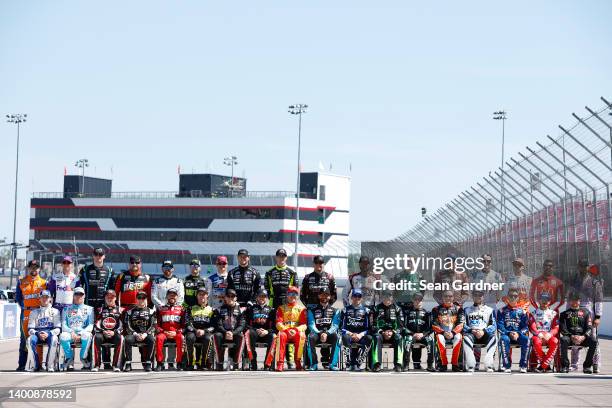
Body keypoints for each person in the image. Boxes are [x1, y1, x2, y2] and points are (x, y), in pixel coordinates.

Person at [567, 258, 603, 373]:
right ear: (578, 267)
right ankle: (574, 364)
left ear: (589, 267)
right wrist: (568, 312)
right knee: (575, 335)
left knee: (593, 338)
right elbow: (569, 299)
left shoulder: (595, 282)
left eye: (585, 266)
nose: (583, 268)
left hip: (590, 314)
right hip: (575, 311)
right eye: (581, 266)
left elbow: (598, 301)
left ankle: (595, 362)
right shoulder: (574, 281)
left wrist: (598, 317)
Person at [15, 259, 47, 371]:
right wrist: (24, 307)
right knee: (24, 339)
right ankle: (22, 365)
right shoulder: (21, 281)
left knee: (39, 338)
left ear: (39, 268)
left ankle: (39, 365)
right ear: (28, 268)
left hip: (39, 312)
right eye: (32, 267)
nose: (34, 269)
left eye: (36, 267)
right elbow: (18, 298)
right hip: (26, 313)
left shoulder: (44, 282)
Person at [269, 286, 306, 371]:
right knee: (280, 335)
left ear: (298, 296)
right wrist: (287, 330)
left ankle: (298, 362)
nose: (293, 296)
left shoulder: (302, 309)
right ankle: (280, 363)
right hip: (285, 332)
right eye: (290, 293)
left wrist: (296, 330)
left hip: (296, 332)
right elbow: (278, 323)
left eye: (295, 294)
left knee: (301, 336)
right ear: (287, 295)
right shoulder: (281, 308)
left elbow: (304, 325)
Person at [559, 291, 597, 374]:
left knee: (593, 341)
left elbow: (590, 327)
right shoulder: (563, 314)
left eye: (576, 300)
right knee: (563, 339)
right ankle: (565, 366)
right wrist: (572, 336)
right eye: (572, 300)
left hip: (582, 338)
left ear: (579, 301)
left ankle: (587, 366)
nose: (574, 302)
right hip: (570, 337)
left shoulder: (586, 313)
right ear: (569, 301)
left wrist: (583, 337)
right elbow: (562, 329)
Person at [59, 287, 95, 371]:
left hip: (83, 333)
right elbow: (64, 324)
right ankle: (69, 358)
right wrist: (71, 332)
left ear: (84, 296)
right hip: (70, 333)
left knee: (87, 335)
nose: (78, 296)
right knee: (63, 336)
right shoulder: (66, 309)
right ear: (73, 295)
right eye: (76, 294)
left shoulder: (90, 309)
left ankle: (83, 358)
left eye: (81, 294)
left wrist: (81, 333)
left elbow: (90, 325)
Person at [306, 287, 341, 371]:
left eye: (326, 295)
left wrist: (327, 333)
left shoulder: (335, 311)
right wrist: (319, 333)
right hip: (317, 333)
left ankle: (333, 364)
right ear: (318, 296)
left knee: (337, 337)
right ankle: (313, 364)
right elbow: (311, 325)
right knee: (310, 337)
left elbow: (335, 325)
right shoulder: (311, 310)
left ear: (330, 297)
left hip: (329, 334)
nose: (324, 297)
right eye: (322, 295)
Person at [26, 290, 61, 372]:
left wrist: (48, 333)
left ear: (50, 299)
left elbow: (58, 329)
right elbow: (30, 329)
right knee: (29, 340)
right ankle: (35, 366)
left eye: (46, 297)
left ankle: (50, 365)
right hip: (37, 334)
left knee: (54, 339)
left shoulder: (55, 312)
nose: (44, 299)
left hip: (50, 334)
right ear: (39, 299)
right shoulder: (33, 312)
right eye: (43, 297)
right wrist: (37, 333)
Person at [462, 290, 497, 373]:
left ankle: (488, 365)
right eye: (475, 295)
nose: (477, 297)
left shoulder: (490, 310)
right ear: (472, 297)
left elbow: (494, 325)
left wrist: (484, 331)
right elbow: (463, 324)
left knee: (494, 338)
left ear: (483, 297)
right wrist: (472, 330)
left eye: (480, 295)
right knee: (465, 338)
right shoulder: (467, 310)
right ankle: (471, 365)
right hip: (472, 334)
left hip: (484, 334)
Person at [212, 288, 246, 371]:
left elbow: (242, 325)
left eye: (232, 296)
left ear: (236, 298)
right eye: (228, 296)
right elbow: (218, 324)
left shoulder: (241, 310)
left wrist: (233, 333)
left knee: (241, 336)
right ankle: (219, 363)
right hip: (223, 333)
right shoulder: (219, 309)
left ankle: (236, 363)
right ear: (225, 298)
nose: (230, 298)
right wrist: (225, 332)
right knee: (216, 335)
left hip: (235, 333)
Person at [497, 288, 529, 373]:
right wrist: (509, 333)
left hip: (518, 335)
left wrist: (518, 333)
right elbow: (500, 326)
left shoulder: (522, 311)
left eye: (515, 296)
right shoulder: (501, 310)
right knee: (504, 339)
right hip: (506, 334)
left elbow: (525, 327)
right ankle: (506, 365)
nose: (513, 298)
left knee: (526, 340)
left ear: (518, 298)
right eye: (511, 296)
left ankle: (523, 365)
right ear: (507, 297)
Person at [370, 292, 404, 372]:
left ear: (392, 298)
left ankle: (398, 365)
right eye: (385, 297)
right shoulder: (376, 308)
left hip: (393, 334)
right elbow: (372, 325)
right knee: (376, 337)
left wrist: (393, 332)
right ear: (382, 298)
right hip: (381, 334)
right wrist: (382, 332)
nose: (387, 299)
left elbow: (401, 326)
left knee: (399, 337)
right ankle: (377, 364)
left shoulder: (398, 309)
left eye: (389, 297)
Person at [431, 290, 464, 372]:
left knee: (459, 337)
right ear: (442, 298)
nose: (448, 298)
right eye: (445, 296)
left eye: (450, 296)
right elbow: (434, 324)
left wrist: (453, 333)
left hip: (454, 333)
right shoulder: (436, 309)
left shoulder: (459, 309)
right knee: (439, 337)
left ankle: (455, 364)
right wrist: (443, 332)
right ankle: (443, 364)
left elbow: (461, 324)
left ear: (453, 297)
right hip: (442, 333)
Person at [92, 289, 124, 372]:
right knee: (96, 337)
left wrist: (115, 332)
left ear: (115, 298)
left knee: (120, 338)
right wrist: (103, 331)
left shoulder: (121, 310)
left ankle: (116, 365)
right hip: (103, 333)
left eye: (112, 297)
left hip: (115, 333)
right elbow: (95, 323)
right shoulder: (100, 310)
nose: (110, 299)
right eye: (108, 297)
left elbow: (123, 324)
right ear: (105, 298)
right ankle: (97, 365)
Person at [154, 288, 186, 371]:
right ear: (167, 296)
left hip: (176, 333)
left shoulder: (182, 309)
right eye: (170, 295)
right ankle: (160, 363)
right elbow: (156, 324)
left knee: (181, 338)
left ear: (177, 297)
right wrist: (163, 331)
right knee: (158, 338)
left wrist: (176, 332)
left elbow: (184, 325)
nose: (172, 296)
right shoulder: (161, 308)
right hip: (164, 332)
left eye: (174, 295)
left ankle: (179, 363)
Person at [244, 289, 276, 371]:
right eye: (260, 296)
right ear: (256, 297)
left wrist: (267, 331)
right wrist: (256, 329)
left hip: (266, 333)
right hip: (254, 333)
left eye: (264, 296)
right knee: (248, 333)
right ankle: (252, 362)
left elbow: (275, 327)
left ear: (267, 298)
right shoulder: (250, 309)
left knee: (274, 336)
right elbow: (245, 324)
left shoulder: (272, 310)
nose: (262, 298)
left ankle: (267, 364)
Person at [340, 289, 372, 371]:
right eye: (355, 296)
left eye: (359, 296)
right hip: (349, 335)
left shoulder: (366, 311)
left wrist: (360, 335)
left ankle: (358, 363)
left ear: (361, 298)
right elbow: (341, 327)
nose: (357, 298)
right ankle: (349, 363)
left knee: (369, 338)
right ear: (351, 297)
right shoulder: (345, 310)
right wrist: (351, 334)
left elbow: (368, 328)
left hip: (361, 335)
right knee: (345, 337)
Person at [123, 291, 156, 372]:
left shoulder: (151, 311)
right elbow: (127, 325)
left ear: (146, 300)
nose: (141, 300)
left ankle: (148, 363)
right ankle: (128, 363)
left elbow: (153, 326)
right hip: (134, 334)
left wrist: (145, 334)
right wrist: (135, 334)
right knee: (127, 339)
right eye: (139, 298)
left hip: (146, 334)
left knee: (152, 339)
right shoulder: (129, 312)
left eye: (143, 298)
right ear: (136, 299)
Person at [402, 292, 433, 371]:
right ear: (413, 300)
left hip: (423, 335)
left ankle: (430, 365)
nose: (417, 301)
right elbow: (403, 327)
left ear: (423, 301)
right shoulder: (407, 313)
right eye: (415, 299)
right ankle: (406, 365)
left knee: (430, 340)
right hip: (411, 335)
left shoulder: (427, 313)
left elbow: (430, 328)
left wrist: (423, 334)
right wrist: (413, 334)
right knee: (407, 340)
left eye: (419, 300)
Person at [185, 287, 215, 370]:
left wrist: (204, 331)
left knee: (208, 338)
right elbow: (187, 323)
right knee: (189, 337)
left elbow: (214, 326)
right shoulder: (190, 308)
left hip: (206, 332)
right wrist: (195, 330)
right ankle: (190, 363)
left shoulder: (212, 310)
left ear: (207, 296)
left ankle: (204, 363)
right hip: (194, 331)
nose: (202, 296)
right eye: (200, 294)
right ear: (197, 296)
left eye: (204, 294)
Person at [528, 292, 559, 373]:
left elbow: (556, 327)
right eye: (542, 300)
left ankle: (542, 366)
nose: (544, 302)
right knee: (536, 341)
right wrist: (539, 334)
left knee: (555, 341)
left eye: (547, 300)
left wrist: (550, 334)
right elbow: (532, 327)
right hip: (538, 336)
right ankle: (546, 365)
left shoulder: (554, 313)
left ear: (550, 301)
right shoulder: (533, 313)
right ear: (539, 301)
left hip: (549, 335)